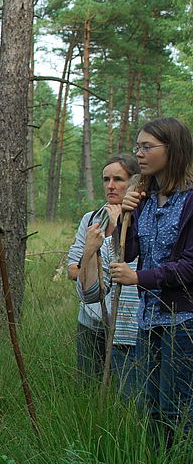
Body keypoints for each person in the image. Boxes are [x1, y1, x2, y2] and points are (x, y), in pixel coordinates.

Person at [111, 117, 193, 449]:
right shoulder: (144, 196)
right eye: (138, 147)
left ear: (172, 150)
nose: (139, 154)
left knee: (178, 408)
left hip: (183, 320)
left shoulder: (190, 200)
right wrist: (124, 215)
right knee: (151, 406)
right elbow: (129, 249)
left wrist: (140, 278)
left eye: (148, 147)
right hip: (149, 319)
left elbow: (190, 266)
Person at [68, 155, 139, 383]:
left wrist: (119, 228)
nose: (110, 186)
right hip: (91, 319)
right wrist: (89, 255)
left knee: (124, 390)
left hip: (126, 324)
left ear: (134, 182)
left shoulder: (140, 220)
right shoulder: (92, 220)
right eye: (106, 179)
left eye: (118, 179)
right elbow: (73, 269)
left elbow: (127, 266)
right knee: (87, 386)